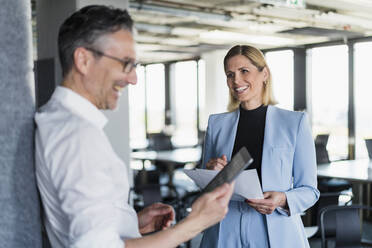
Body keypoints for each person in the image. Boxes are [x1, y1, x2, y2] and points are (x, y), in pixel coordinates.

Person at [35, 5, 234, 248]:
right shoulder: (76, 135)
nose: (133, 79)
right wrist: (195, 223)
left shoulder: (58, 120)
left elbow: (85, 227)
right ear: (84, 60)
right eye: (125, 63)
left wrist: (130, 222)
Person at [199, 45, 319, 248]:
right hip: (225, 228)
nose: (236, 80)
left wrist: (282, 199)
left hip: (275, 228)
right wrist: (211, 172)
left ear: (265, 74)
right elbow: (207, 187)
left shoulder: (294, 123)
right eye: (230, 74)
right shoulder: (217, 124)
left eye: (244, 71)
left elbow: (310, 190)